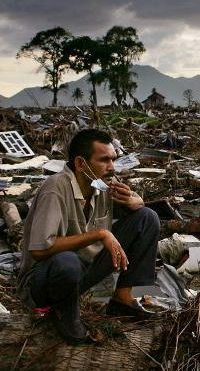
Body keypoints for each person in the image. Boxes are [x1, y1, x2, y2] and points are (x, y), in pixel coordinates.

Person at [16, 129, 160, 344]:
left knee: (147, 218)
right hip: (45, 281)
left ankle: (124, 298)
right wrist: (101, 234)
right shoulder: (56, 187)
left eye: (113, 159)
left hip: (82, 273)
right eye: (104, 160)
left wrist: (134, 201)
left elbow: (138, 207)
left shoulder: (99, 184)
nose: (112, 167)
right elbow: (39, 250)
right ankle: (64, 313)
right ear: (81, 164)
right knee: (67, 260)